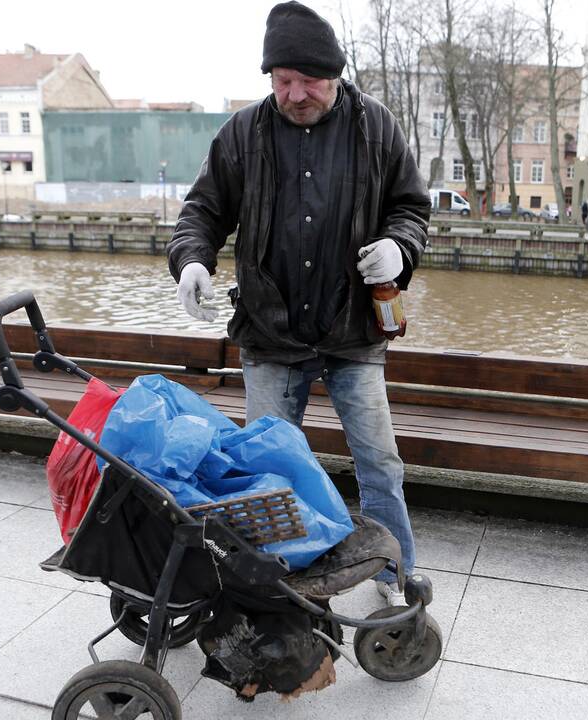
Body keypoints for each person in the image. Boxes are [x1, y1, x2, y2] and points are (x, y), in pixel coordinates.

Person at [167, 1, 429, 606]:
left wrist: (399, 247)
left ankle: (393, 578)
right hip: (270, 335)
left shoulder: (377, 127)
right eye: (281, 81)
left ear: (334, 73)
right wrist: (192, 261)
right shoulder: (242, 133)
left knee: (380, 465)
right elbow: (202, 210)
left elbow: (412, 208)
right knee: (268, 472)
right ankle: (276, 585)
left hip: (352, 332)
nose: (293, 94)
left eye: (306, 81)